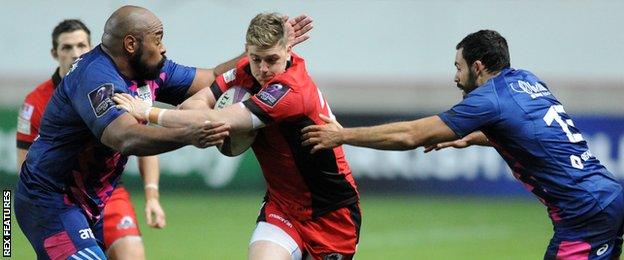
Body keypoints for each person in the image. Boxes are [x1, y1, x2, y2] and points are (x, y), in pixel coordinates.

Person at [14, 6, 312, 259]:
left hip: (91, 202)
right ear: (131, 44)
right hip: (50, 200)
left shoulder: (151, 70)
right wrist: (188, 134)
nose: (164, 46)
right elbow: (125, 137)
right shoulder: (95, 77)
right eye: (158, 38)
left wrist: (259, 52)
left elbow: (210, 77)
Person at [301, 29, 624, 259]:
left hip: (585, 214)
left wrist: (342, 135)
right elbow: (533, 132)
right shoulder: (526, 79)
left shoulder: (488, 100)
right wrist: (477, 138)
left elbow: (411, 135)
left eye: (458, 67)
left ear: (478, 66)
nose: (455, 77)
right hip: (607, 195)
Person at [114, 12, 360, 260]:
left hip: (332, 214)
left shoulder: (291, 91)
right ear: (247, 52)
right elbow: (192, 107)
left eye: (272, 59)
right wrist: (207, 116)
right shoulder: (245, 70)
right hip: (283, 207)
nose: (263, 70)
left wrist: (147, 111)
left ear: (288, 51)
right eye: (256, 59)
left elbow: (217, 119)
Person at [15, 19, 166, 259]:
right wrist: (8, 238)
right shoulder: (35, 103)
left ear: (92, 47)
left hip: (108, 192)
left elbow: (142, 139)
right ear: (55, 53)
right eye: (67, 47)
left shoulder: (111, 85)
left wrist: (152, 196)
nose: (75, 53)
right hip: (61, 196)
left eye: (81, 45)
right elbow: (24, 169)